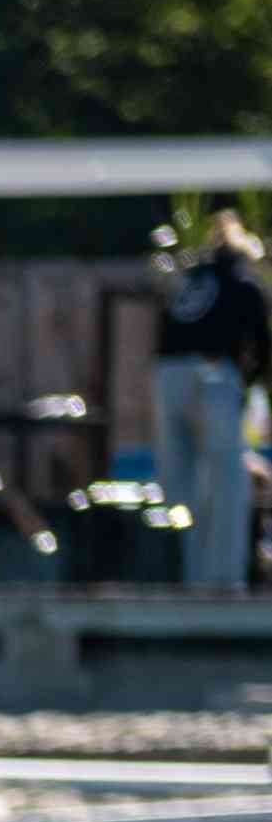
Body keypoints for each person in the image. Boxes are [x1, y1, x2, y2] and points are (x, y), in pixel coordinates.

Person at [151, 213, 266, 593]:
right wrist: (246, 387)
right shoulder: (242, 283)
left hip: (167, 378)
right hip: (214, 375)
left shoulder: (190, 282)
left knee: (182, 486)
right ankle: (225, 582)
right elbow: (261, 346)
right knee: (228, 483)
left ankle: (189, 578)